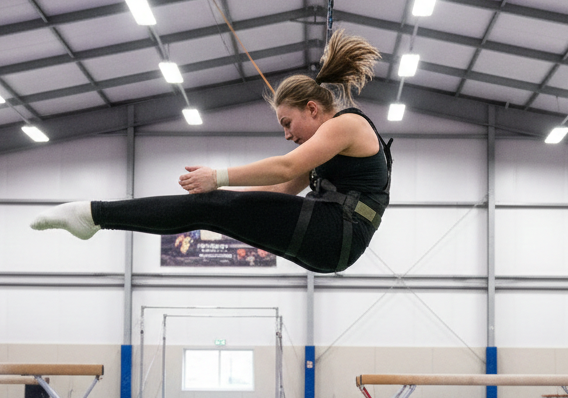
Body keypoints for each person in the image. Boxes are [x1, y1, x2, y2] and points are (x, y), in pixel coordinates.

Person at [31, 30, 392, 274]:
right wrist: (222, 200)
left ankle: (93, 214)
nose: (286, 135)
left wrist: (217, 179)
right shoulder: (326, 147)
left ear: (312, 109)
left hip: (337, 234)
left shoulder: (348, 124)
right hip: (332, 243)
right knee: (211, 208)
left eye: (287, 123)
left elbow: (285, 168)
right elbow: (280, 189)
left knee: (213, 204)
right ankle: (94, 218)